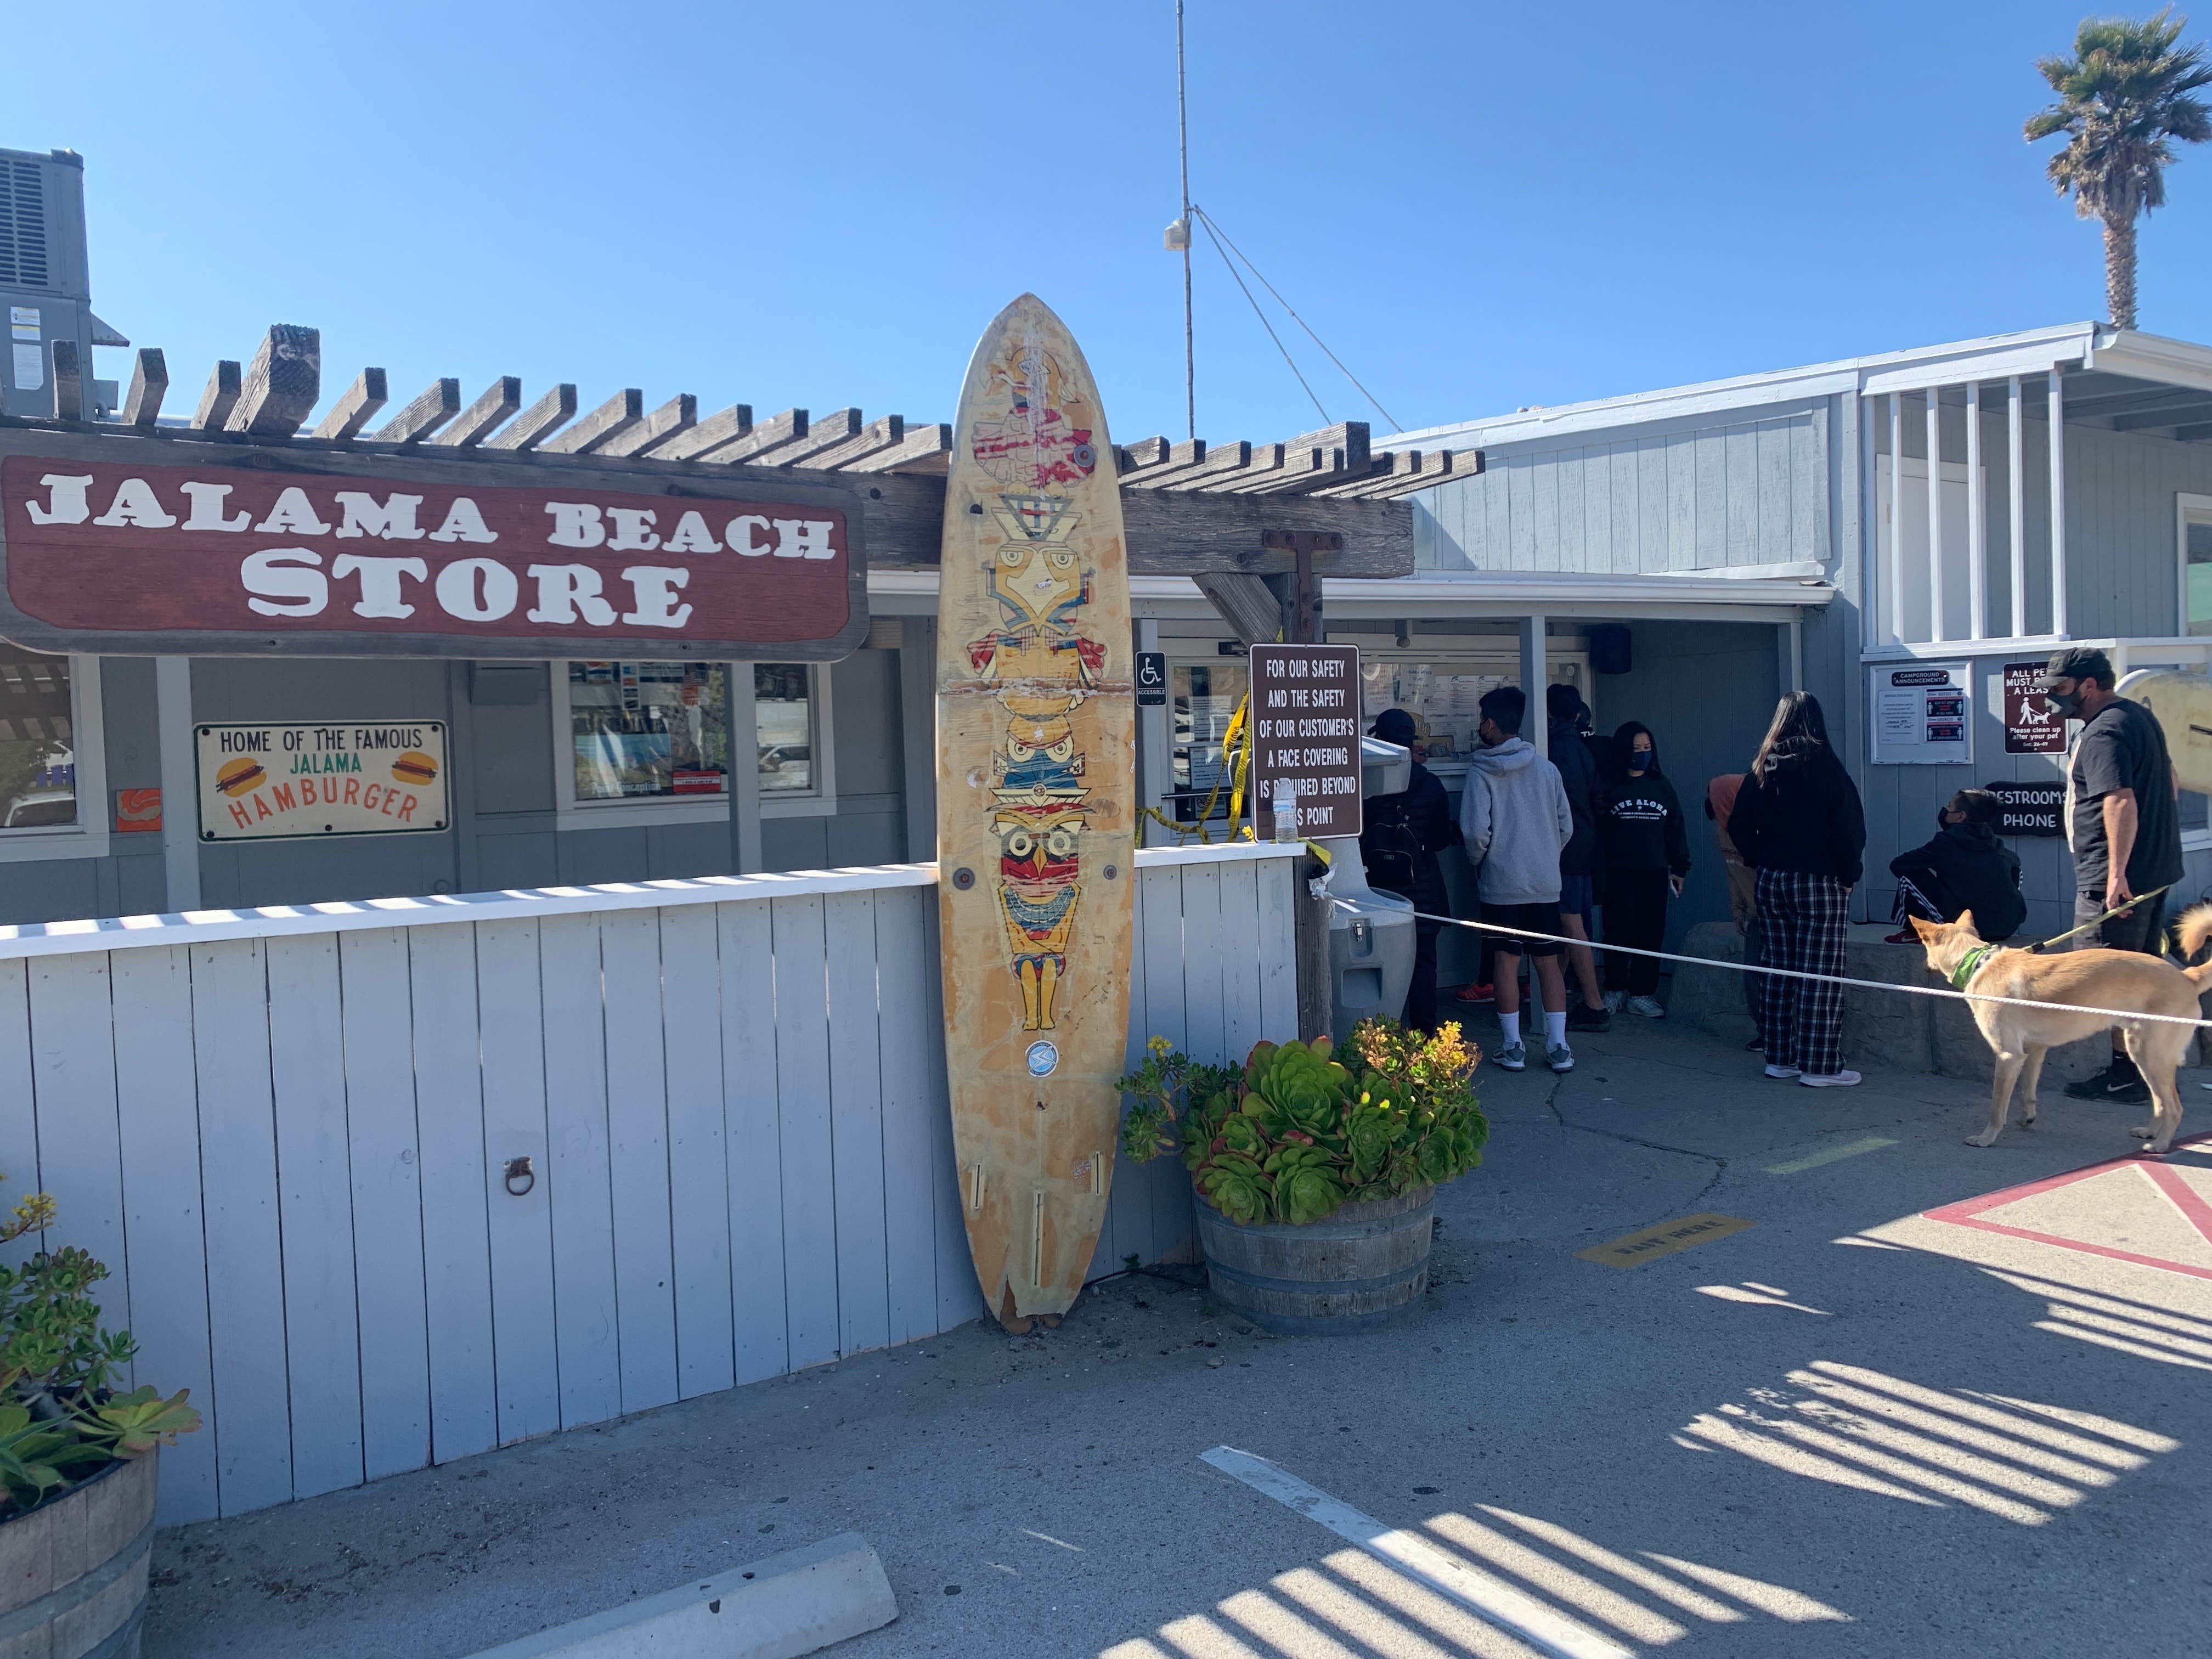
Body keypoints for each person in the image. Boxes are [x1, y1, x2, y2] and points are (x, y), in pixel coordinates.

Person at [2041, 646, 2183, 1106]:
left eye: (2060, 688)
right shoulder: (2138, 718)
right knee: (2139, 975)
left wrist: (2116, 874)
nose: (2053, 698)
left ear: (2089, 685)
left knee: (2109, 980)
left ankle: (2129, 1075)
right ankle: (2147, 1069)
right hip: (2154, 871)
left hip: (2117, 881)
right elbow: (2171, 780)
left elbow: (2119, 800)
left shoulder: (2104, 731)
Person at [1728, 692, 1866, 1088]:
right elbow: (1849, 829)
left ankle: (1779, 1059)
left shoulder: (1763, 767)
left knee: (1777, 970)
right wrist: (1849, 875)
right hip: (1820, 882)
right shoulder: (1826, 766)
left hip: (1772, 880)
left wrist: (1759, 857)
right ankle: (1820, 1066)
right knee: (1819, 974)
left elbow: (1737, 824)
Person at [1459, 686, 1576, 1074]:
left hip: (1501, 884)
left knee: (1505, 962)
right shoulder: (1547, 769)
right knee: (1548, 962)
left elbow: (1475, 832)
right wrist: (1545, 856)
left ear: (1490, 724)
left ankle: (1513, 1047)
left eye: (1482, 720)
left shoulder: (1480, 772)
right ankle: (1559, 1046)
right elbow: (1566, 826)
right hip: (1544, 883)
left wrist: (1483, 861)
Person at [1359, 708, 1456, 1032]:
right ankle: (1424, 1036)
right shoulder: (1431, 784)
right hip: (1423, 887)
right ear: (1411, 742)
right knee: (1423, 965)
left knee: (1379, 964)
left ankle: (1379, 1037)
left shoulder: (1366, 784)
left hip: (1376, 890)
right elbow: (1441, 839)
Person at [1598, 721, 1691, 1019]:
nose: (1642, 754)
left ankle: (1642, 993)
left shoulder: (1661, 785)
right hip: (1619, 872)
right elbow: (1599, 832)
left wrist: (1680, 868)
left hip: (1654, 871)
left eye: (1647, 748)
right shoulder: (1609, 786)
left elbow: (1675, 828)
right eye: (1636, 748)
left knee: (1650, 932)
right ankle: (1615, 988)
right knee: (1617, 930)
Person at [1547, 685, 1611, 1032]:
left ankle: (1594, 1004)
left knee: (1571, 925)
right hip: (1585, 845)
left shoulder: (1554, 749)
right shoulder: (1583, 748)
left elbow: (1559, 805)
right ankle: (1554, 1000)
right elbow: (1597, 796)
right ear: (1577, 714)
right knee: (1572, 925)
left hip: (1565, 848)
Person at [1885, 788, 2027, 945]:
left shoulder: (1945, 842)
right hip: (2007, 928)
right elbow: (2015, 866)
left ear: (1961, 816)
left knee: (1909, 876)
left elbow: (1898, 865)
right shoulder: (1996, 844)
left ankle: (1915, 930)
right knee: (2014, 870)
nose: (1946, 811)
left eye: (1949, 806)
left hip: (1965, 929)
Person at [1706, 772, 1766, 1049]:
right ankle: (1766, 1032)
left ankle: (1789, 1035)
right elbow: (1733, 871)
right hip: (1754, 914)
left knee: (1780, 975)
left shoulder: (1763, 830)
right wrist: (1737, 909)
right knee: (1752, 975)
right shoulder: (1723, 831)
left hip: (1778, 914)